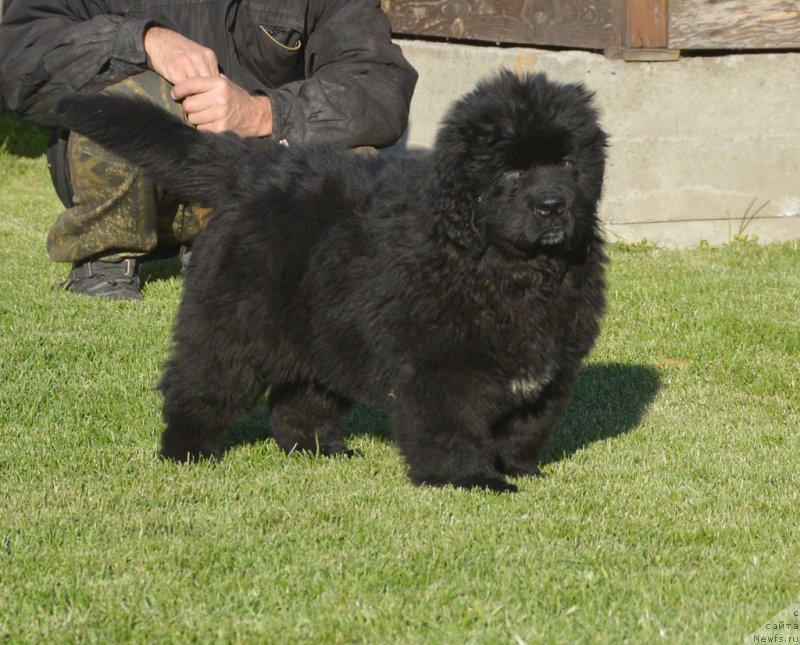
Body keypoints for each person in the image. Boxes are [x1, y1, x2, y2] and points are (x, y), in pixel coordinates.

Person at [0, 0, 417, 300]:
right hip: (138, 179)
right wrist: (141, 40)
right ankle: (106, 258)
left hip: (251, 190)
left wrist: (264, 112)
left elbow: (380, 82)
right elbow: (18, 62)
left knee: (355, 158)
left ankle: (240, 250)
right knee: (121, 104)